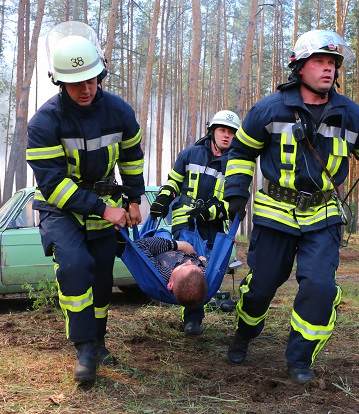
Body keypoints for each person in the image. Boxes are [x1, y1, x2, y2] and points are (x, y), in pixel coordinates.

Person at [223, 29, 359, 385]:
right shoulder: (269, 109)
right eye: (319, 61)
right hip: (275, 213)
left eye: (332, 63)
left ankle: (300, 358)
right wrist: (236, 193)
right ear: (299, 67)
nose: (328, 69)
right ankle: (244, 333)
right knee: (261, 287)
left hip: (324, 214)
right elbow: (241, 152)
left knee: (320, 287)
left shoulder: (352, 116)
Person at [26, 21, 145, 384]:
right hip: (61, 208)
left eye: (92, 79)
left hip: (106, 204)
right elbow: (53, 185)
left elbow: (132, 157)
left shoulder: (119, 111)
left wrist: (136, 198)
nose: (86, 89)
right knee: (76, 266)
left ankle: (99, 340)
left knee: (102, 276)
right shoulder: (44, 123)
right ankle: (84, 348)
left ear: (101, 73)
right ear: (59, 81)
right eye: (77, 83)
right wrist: (104, 209)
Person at [149, 110, 241, 336]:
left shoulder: (237, 163)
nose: (226, 136)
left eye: (231, 132)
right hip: (185, 224)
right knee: (189, 268)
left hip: (213, 227)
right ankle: (192, 319)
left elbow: (236, 202)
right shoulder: (190, 154)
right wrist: (162, 199)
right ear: (212, 131)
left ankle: (194, 318)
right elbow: (173, 182)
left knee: (205, 270)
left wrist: (211, 212)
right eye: (222, 130)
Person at [134, 237, 208, 307]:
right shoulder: (203, 274)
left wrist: (178, 245)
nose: (189, 261)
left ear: (170, 285)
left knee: (162, 231)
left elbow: (139, 245)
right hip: (191, 246)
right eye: (193, 265)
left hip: (162, 246)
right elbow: (208, 268)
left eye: (184, 266)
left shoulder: (161, 273)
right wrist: (203, 260)